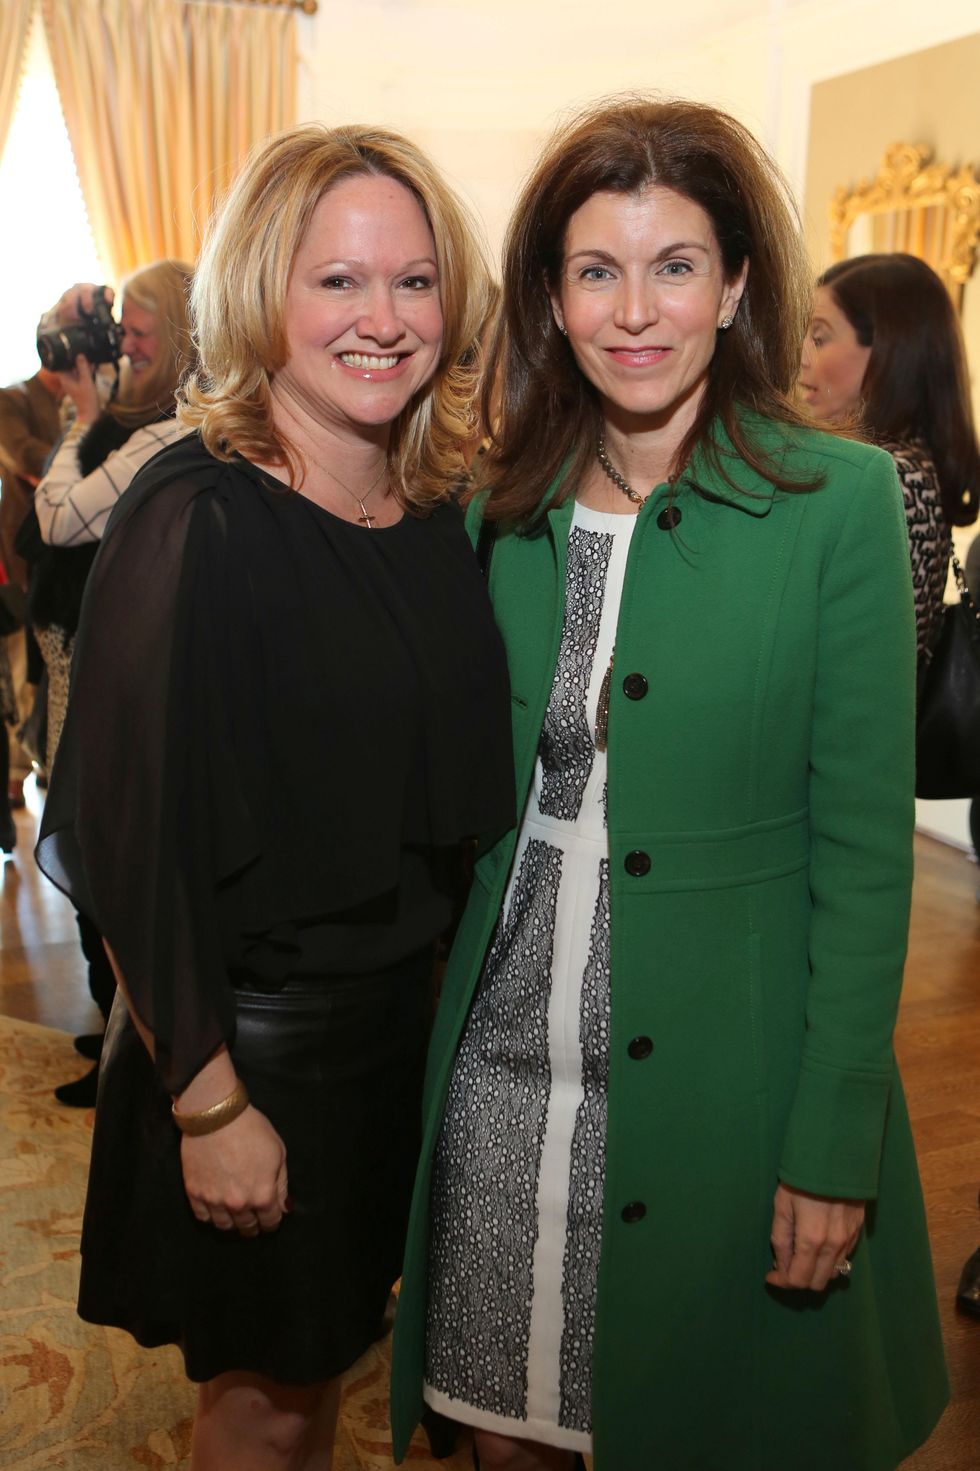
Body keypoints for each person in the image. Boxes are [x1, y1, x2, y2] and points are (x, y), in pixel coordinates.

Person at [389, 96, 948, 1471]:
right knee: (503, 1423)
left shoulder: (839, 501)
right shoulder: (499, 509)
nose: (637, 310)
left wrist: (836, 1134)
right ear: (553, 298)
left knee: (698, 1418)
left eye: (676, 264)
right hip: (507, 1059)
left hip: (726, 1084)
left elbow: (868, 853)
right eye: (597, 270)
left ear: (739, 283)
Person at [36, 122, 513, 1471]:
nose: (384, 319)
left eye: (414, 282)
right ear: (262, 292)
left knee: (334, 1371)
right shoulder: (199, 514)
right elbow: (131, 840)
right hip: (255, 1052)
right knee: (266, 1407)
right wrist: (207, 1099)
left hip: (395, 1032)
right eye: (340, 281)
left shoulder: (431, 510)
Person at [30, 261, 195, 1104]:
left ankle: (128, 1047)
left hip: (111, 659)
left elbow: (59, 516)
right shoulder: (146, 418)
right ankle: (116, 1027)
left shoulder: (170, 431)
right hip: (87, 647)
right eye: (121, 328)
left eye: (139, 332)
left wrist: (81, 420)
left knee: (101, 840)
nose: (123, 344)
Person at [799, 252, 980, 673]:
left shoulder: (891, 476)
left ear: (886, 351)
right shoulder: (907, 466)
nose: (802, 356)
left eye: (820, 337)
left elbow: (848, 660)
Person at [0, 359, 63, 836]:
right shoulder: (12, 400)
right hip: (21, 560)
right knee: (20, 667)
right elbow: (24, 456)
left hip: (65, 565)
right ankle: (17, 772)